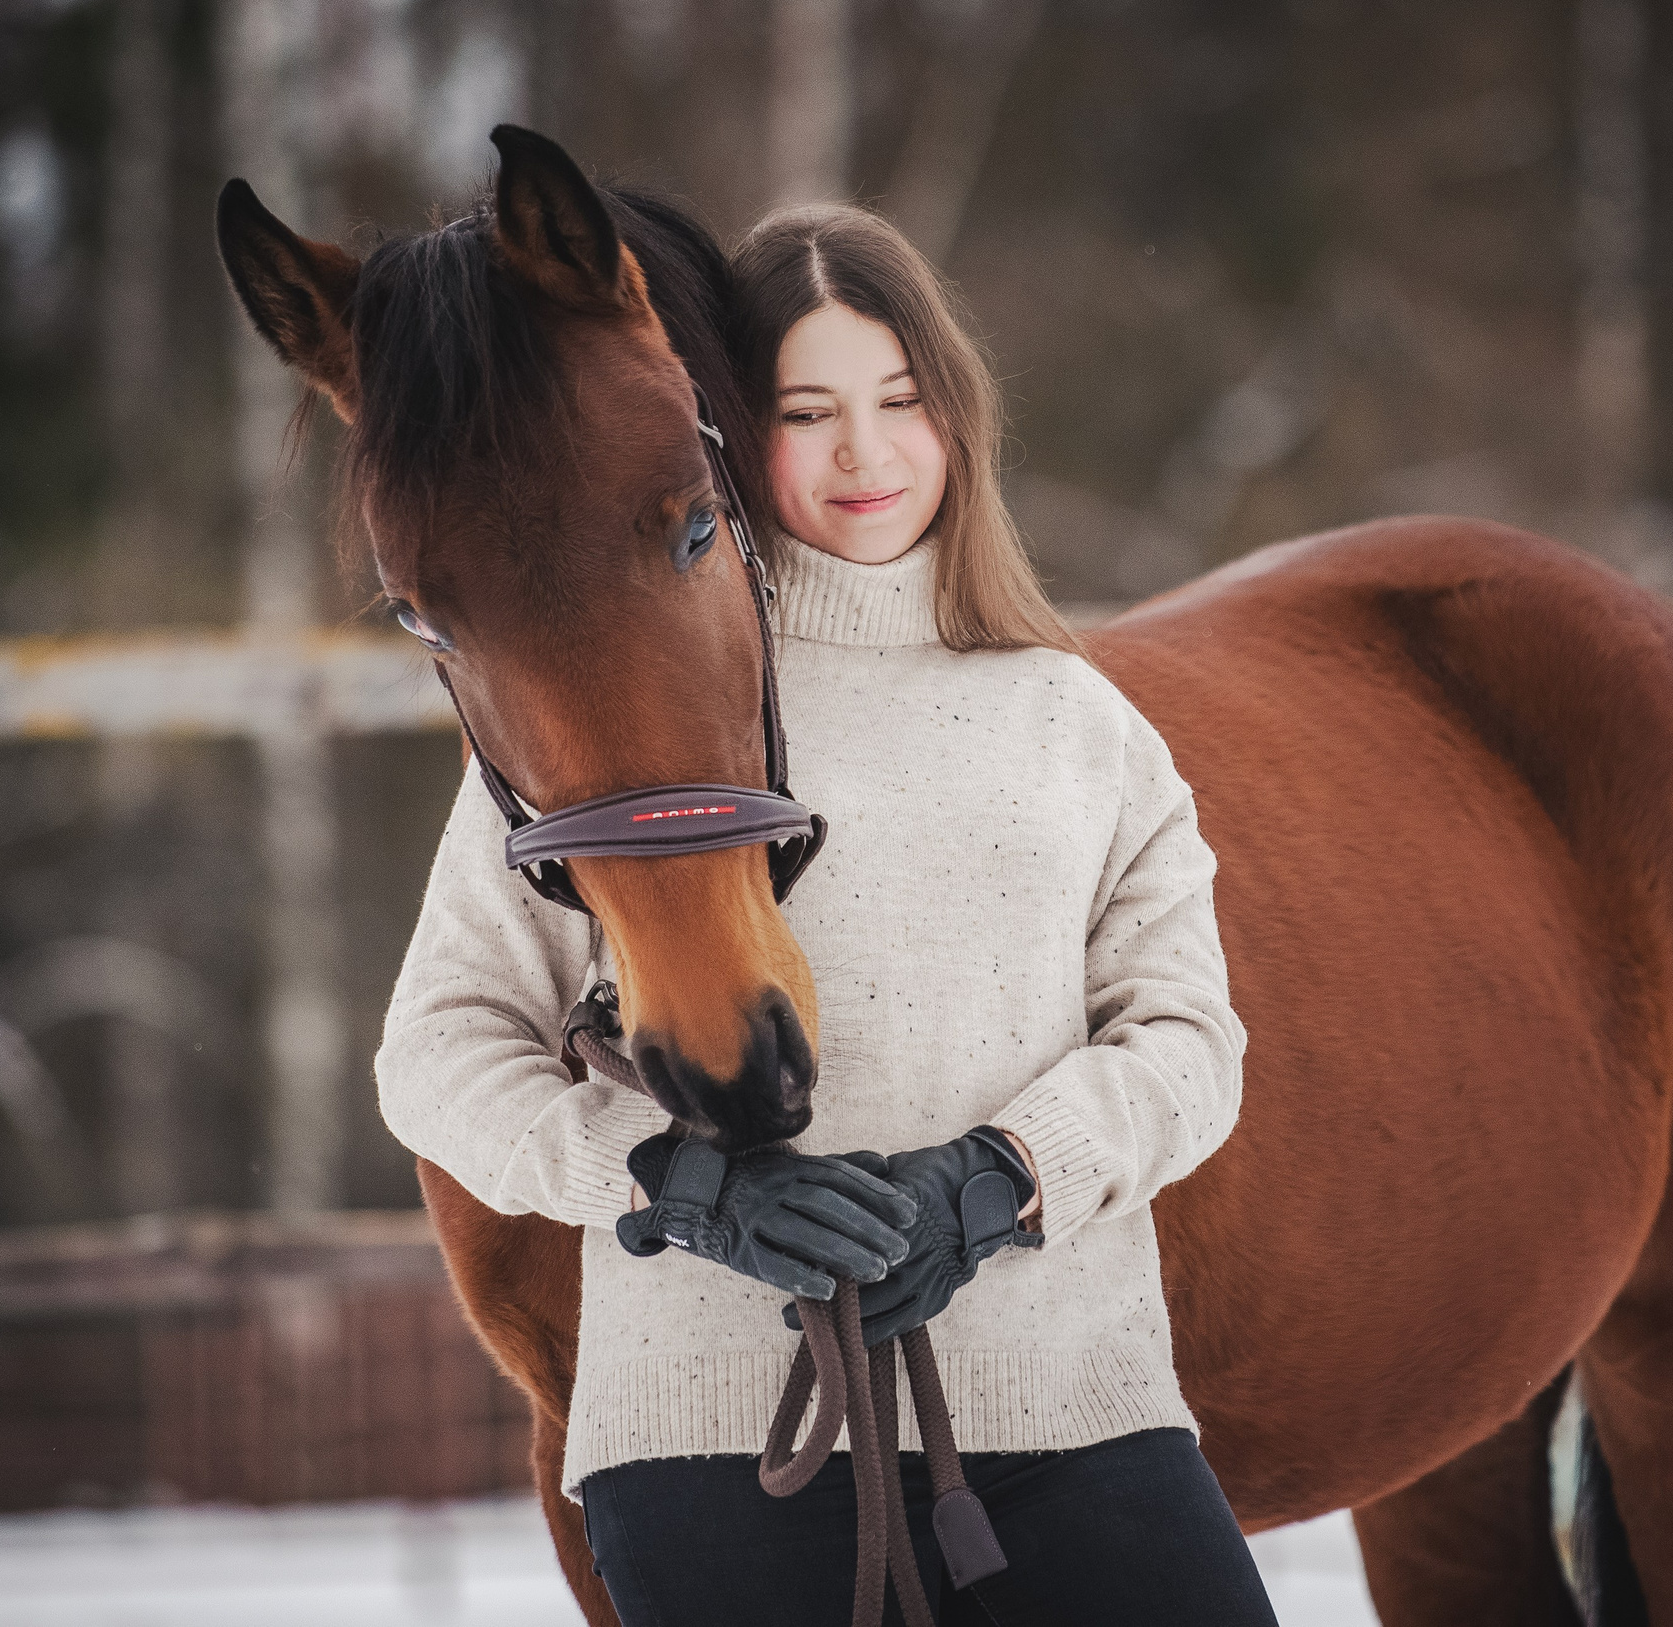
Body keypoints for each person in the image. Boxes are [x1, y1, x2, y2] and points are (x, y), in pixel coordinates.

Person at [379, 202, 1274, 1627]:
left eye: (901, 400)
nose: (865, 451)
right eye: (810, 411)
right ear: (733, 428)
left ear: (956, 416)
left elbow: (1189, 1043)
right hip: (715, 1437)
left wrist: (998, 1180)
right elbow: (436, 1051)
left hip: (1075, 1411)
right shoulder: (624, 697)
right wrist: (679, 1187)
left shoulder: (1079, 721)